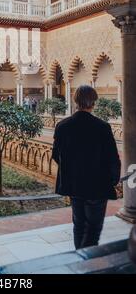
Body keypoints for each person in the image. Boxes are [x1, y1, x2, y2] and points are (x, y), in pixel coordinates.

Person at [52, 85, 121, 250]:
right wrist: (113, 180)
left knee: (79, 225)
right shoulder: (102, 127)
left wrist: (71, 170)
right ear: (94, 102)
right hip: (97, 186)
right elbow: (112, 158)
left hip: (74, 185)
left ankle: (80, 257)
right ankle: (86, 261)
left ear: (75, 101)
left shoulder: (63, 126)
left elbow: (56, 155)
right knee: (93, 229)